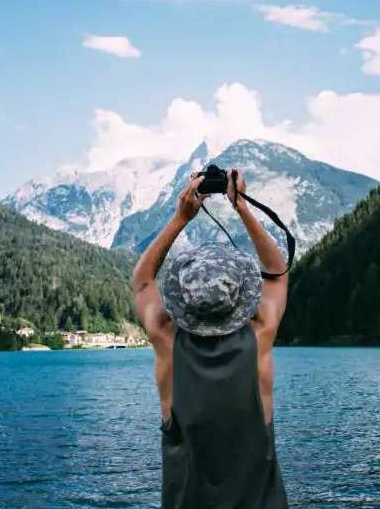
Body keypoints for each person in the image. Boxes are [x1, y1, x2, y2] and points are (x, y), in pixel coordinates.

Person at [131, 169, 290, 508]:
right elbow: (278, 275)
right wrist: (242, 207)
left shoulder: (166, 341)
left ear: (183, 298)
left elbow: (142, 283)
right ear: (239, 297)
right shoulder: (260, 336)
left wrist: (180, 217)